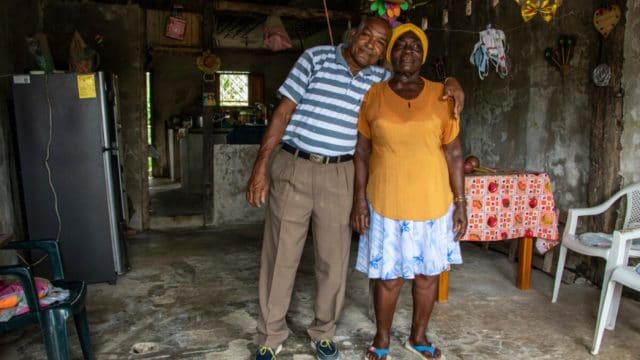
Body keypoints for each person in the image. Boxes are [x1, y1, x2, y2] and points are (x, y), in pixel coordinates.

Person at [246, 17, 465, 360]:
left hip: (340, 174)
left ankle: (323, 332)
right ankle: (270, 336)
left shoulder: (381, 81)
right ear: (352, 34)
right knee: (280, 256)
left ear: (385, 54)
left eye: (381, 43)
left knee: (333, 259)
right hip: (294, 165)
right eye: (367, 36)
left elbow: (422, 83)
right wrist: (261, 165)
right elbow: (283, 112)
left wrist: (453, 81)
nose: (371, 45)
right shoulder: (315, 58)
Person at [350, 23, 467, 360]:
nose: (408, 52)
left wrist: (460, 202)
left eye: (416, 47)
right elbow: (361, 152)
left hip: (433, 203)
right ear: (390, 53)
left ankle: (418, 337)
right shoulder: (374, 95)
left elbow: (455, 153)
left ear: (423, 55)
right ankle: (382, 340)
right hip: (386, 201)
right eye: (401, 46)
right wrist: (359, 199)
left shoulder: (442, 95)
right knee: (389, 278)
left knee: (427, 275)